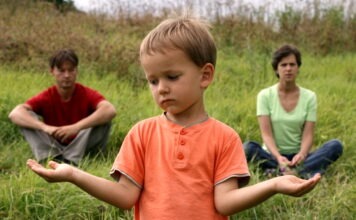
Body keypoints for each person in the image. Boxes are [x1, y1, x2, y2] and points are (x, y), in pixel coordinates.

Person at [27, 18, 321, 219]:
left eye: (172, 76)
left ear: (205, 75)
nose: (162, 88)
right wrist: (72, 174)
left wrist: (274, 185)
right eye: (153, 80)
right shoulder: (142, 133)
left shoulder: (224, 137)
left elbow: (225, 202)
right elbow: (125, 196)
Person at [244, 44, 343, 179]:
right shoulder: (265, 95)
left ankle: (283, 173)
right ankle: (301, 173)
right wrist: (279, 157)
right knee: (248, 148)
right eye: (283, 65)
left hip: (298, 157)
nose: (288, 69)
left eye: (292, 64)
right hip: (273, 155)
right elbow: (266, 135)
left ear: (298, 68)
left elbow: (308, 134)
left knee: (335, 146)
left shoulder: (309, 97)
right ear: (276, 69)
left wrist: (301, 155)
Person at [9, 49, 117, 165]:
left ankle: (72, 159)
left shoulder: (86, 93)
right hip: (53, 144)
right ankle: (51, 157)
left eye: (71, 70)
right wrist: (45, 127)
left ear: (76, 71)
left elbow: (110, 110)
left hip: (81, 145)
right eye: (61, 71)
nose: (67, 75)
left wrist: (76, 127)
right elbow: (15, 113)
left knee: (102, 118)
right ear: (52, 71)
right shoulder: (47, 96)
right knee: (26, 116)